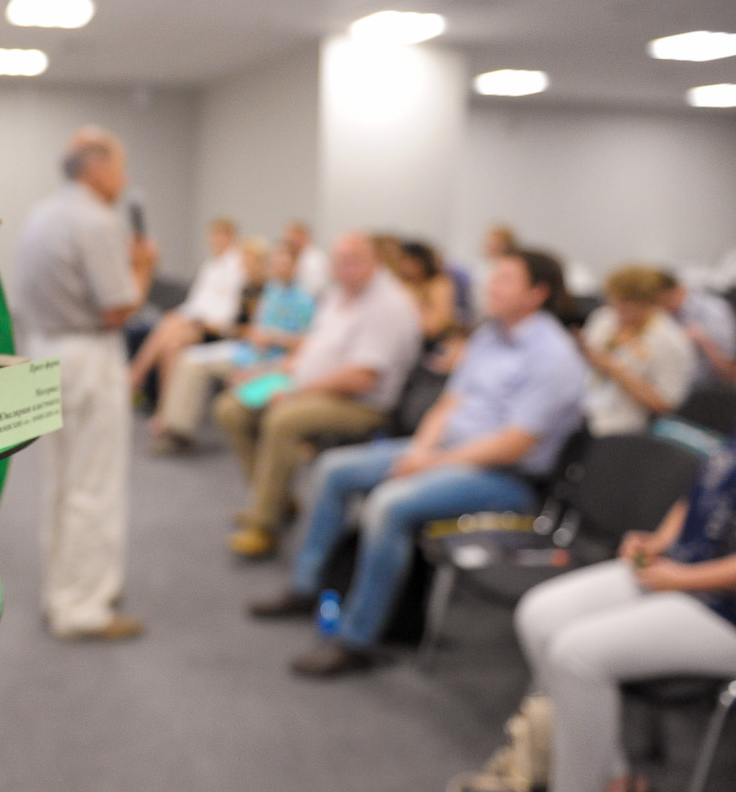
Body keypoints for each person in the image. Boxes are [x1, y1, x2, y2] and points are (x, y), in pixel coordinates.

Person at [500, 295, 736, 792]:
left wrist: (685, 578)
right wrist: (660, 540)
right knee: (539, 614)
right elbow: (704, 488)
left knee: (577, 654)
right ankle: (613, 776)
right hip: (688, 573)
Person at [251, 249, 587, 677]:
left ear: (537, 293)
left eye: (505, 279)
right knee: (333, 469)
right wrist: (421, 452)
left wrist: (433, 462)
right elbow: (449, 403)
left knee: (389, 504)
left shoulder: (553, 357)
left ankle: (357, 639)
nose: (491, 285)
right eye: (494, 275)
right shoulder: (488, 336)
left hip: (503, 477)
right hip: (445, 452)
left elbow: (514, 445)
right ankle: (307, 586)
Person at [15, 126, 158, 641]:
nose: (124, 177)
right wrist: (143, 268)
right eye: (120, 165)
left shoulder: (41, 214)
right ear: (97, 168)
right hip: (87, 355)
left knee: (60, 481)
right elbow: (119, 308)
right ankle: (82, 606)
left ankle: (62, 588)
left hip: (45, 349)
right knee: (93, 484)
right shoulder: (97, 220)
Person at [214, 232, 421, 559]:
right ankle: (276, 500)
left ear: (375, 261)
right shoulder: (339, 294)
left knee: (283, 419)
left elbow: (361, 377)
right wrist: (265, 373)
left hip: (360, 404)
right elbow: (312, 350)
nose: (343, 268)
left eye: (353, 260)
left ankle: (264, 525)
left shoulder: (388, 304)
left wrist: (296, 391)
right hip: (311, 387)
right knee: (232, 407)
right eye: (338, 261)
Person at [150, 242, 315, 452]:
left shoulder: (304, 301)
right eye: (277, 263)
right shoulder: (269, 293)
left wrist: (275, 338)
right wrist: (252, 333)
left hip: (274, 359)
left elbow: (307, 344)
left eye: (285, 264)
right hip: (247, 351)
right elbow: (250, 326)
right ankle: (176, 429)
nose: (279, 268)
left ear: (295, 267)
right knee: (190, 359)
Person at [126, 217, 244, 397]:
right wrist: (185, 316)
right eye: (214, 235)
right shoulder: (209, 266)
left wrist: (199, 319)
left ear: (231, 237)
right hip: (195, 319)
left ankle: (134, 377)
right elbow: (196, 301)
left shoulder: (238, 266)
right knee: (171, 345)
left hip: (213, 326)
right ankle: (166, 405)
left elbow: (229, 308)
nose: (216, 240)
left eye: (221, 235)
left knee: (170, 325)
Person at [579, 265, 697, 436]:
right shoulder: (604, 319)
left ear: (648, 303)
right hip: (584, 413)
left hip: (628, 429)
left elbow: (665, 405)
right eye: (613, 302)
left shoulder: (671, 342)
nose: (617, 311)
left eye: (626, 306)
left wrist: (615, 369)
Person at [654, 269, 736, 387]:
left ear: (679, 290)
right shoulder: (660, 314)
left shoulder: (714, 313)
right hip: (669, 384)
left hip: (705, 389)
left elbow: (729, 372)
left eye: (662, 299)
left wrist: (703, 341)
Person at [395, 240, 459, 348]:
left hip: (435, 341)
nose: (405, 266)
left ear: (422, 263)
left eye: (411, 261)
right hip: (408, 339)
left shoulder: (439, 284)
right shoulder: (401, 284)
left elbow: (435, 324)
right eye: (403, 260)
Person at [283, 220, 330, 296]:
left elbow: (315, 288)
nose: (289, 245)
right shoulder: (299, 257)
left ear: (301, 236)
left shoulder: (315, 260)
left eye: (291, 241)